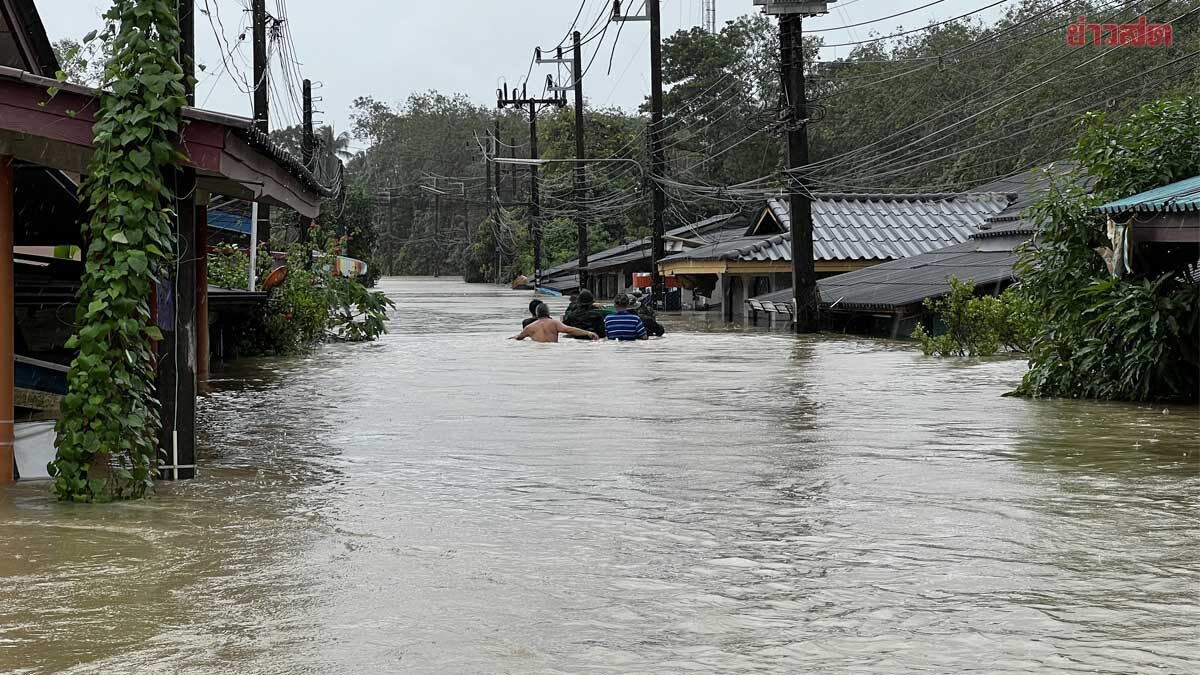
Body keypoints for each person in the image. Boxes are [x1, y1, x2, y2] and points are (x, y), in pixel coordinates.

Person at [511, 303, 599, 343]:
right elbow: (569, 330)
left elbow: (518, 337)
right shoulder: (554, 323)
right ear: (548, 313)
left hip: (537, 352)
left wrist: (512, 338)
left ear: (537, 314)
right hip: (552, 350)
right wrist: (588, 333)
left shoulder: (529, 327)